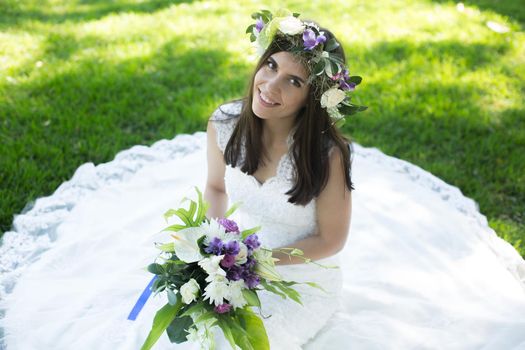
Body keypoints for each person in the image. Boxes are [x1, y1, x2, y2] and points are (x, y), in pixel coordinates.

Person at [2, 8, 525, 350]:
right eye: (269, 65)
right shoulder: (226, 122)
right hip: (235, 250)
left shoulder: (325, 155)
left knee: (246, 343)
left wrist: (258, 266)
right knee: (178, 333)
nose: (270, 85)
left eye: (293, 80)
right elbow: (215, 188)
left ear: (313, 98)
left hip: (299, 272)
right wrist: (211, 244)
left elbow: (330, 238)